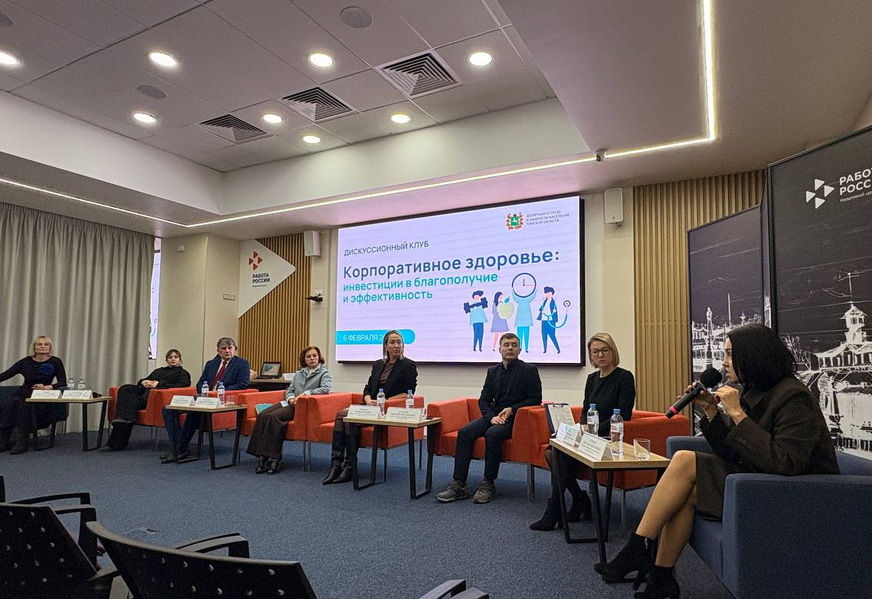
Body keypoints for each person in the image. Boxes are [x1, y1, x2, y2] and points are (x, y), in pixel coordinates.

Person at [594, 324, 839, 599]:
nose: (724, 362)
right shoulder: (754, 390)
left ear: (753, 355)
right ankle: (661, 577)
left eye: (730, 354)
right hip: (754, 480)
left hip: (792, 495)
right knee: (684, 493)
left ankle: (637, 548)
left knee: (684, 459)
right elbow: (732, 452)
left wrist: (738, 415)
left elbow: (786, 463)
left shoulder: (794, 397)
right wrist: (711, 410)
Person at [530, 332, 635, 530]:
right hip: (589, 436)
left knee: (556, 455)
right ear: (591, 355)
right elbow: (586, 410)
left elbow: (624, 414)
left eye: (605, 350)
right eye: (595, 352)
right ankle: (577, 499)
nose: (600, 355)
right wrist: (581, 428)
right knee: (553, 451)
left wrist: (591, 430)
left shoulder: (624, 377)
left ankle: (557, 508)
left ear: (613, 352)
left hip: (608, 438)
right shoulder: (592, 378)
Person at [437, 332, 542, 504]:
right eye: (506, 345)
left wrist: (512, 409)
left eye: (514, 345)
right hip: (494, 416)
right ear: (499, 349)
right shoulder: (492, 371)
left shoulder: (529, 370)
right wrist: (492, 417)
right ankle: (459, 484)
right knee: (465, 432)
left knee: (493, 434)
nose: (510, 348)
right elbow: (484, 400)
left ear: (520, 349)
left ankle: (488, 483)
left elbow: (535, 399)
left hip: (515, 419)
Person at [322, 330, 417, 485]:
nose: (396, 346)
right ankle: (337, 464)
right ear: (385, 346)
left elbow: (409, 392)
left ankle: (348, 466)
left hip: (386, 408)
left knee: (344, 418)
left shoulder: (407, 365)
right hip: (369, 406)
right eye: (392, 342)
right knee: (342, 416)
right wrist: (367, 400)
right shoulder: (378, 364)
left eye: (399, 342)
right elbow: (368, 388)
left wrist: (386, 401)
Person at [160, 337, 250, 463]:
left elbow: (242, 384)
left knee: (194, 412)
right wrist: (204, 390)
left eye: (230, 348)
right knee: (167, 409)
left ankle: (179, 449)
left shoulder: (242, 364)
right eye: (223, 348)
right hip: (203, 397)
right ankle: (178, 447)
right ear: (218, 351)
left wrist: (218, 391)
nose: (227, 351)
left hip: (221, 400)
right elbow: (201, 382)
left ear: (235, 349)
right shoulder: (211, 364)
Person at [246, 346, 332, 475]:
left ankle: (275, 458)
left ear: (319, 357)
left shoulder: (324, 373)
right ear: (304, 359)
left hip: (303, 406)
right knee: (263, 415)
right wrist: (291, 398)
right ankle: (262, 456)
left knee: (274, 417)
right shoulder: (299, 373)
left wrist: (305, 394)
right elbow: (290, 390)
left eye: (314, 356)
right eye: (308, 356)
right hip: (290, 402)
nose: (312, 358)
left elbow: (326, 388)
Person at [103, 349, 191, 451]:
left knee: (127, 409)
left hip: (153, 400)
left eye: (175, 357)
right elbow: (144, 380)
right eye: (170, 357)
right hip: (142, 396)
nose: (173, 359)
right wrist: (143, 382)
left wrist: (159, 384)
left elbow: (182, 385)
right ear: (166, 359)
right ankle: (124, 420)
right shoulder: (159, 371)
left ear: (180, 359)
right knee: (125, 389)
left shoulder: (182, 373)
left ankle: (116, 443)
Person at [0, 335, 67, 454]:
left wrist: (48, 387)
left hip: (42, 396)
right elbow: (5, 375)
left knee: (20, 405)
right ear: (34, 347)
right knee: (12, 403)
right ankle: (5, 441)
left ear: (50, 347)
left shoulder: (55, 362)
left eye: (46, 344)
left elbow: (62, 382)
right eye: (39, 344)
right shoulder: (25, 362)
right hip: (24, 393)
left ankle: (21, 441)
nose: (42, 346)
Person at [537, 286, 561, 353]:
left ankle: (558, 349)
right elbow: (541, 308)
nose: (547, 294)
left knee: (552, 335)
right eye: (546, 293)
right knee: (544, 335)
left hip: (551, 321)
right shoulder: (545, 301)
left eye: (549, 293)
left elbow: (554, 310)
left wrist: (554, 312)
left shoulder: (553, 301)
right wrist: (542, 312)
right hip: (544, 320)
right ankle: (545, 350)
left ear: (552, 293)